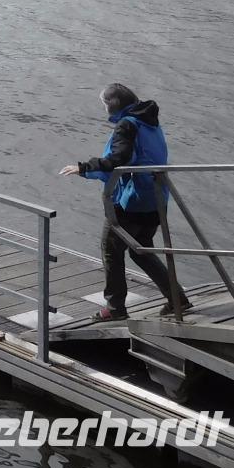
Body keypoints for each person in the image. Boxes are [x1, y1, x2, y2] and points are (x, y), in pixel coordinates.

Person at [60, 83, 188, 320]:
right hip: (157, 198)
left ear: (113, 105)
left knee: (110, 248)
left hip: (134, 200)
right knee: (141, 250)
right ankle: (177, 298)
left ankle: (115, 308)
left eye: (105, 104)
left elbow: (118, 159)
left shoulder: (127, 125)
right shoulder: (150, 122)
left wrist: (83, 168)